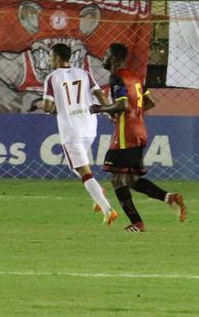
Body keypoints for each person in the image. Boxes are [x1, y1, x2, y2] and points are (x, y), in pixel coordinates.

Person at [89, 44, 185, 232]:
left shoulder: (116, 77)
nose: (104, 57)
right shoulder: (135, 76)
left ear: (115, 58)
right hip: (139, 131)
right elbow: (149, 101)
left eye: (107, 54)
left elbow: (123, 105)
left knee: (118, 180)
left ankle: (137, 223)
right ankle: (169, 198)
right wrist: (135, 114)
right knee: (131, 179)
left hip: (126, 135)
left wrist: (100, 109)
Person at [42, 43, 117, 226]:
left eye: (51, 57)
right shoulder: (84, 74)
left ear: (58, 58)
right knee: (77, 167)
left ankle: (107, 209)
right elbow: (101, 96)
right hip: (90, 127)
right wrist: (108, 112)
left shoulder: (52, 78)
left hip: (71, 130)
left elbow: (47, 107)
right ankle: (98, 191)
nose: (50, 60)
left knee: (83, 172)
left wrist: (61, 107)